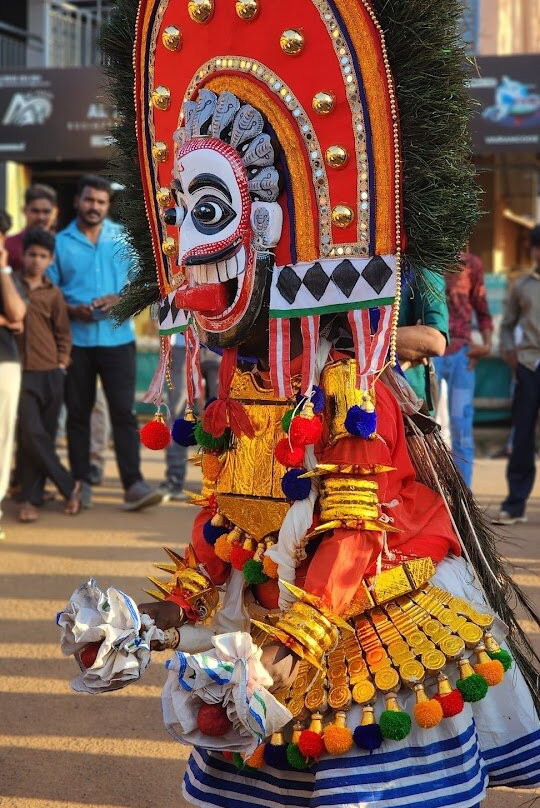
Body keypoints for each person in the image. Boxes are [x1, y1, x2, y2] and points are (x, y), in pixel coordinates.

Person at [76, 2, 539, 806]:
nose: (187, 251)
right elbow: (226, 519)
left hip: (362, 625)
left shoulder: (347, 383)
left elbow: (354, 539)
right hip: (273, 626)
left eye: (207, 215)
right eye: (179, 215)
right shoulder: (238, 379)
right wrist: (157, 615)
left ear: (267, 226)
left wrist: (283, 653)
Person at [48, 174, 162, 511]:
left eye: (100, 201)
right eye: (88, 200)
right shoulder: (60, 243)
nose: (94, 206)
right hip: (77, 342)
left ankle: (133, 485)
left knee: (124, 413)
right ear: (77, 202)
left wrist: (118, 300)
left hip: (118, 340)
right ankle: (80, 484)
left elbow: (141, 285)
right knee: (78, 415)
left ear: (107, 205)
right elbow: (50, 292)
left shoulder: (121, 239)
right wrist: (72, 309)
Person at [14, 229, 81, 522]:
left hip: (51, 372)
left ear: (50, 260)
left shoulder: (53, 294)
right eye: (32, 254)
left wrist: (62, 363)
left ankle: (33, 498)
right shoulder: (10, 286)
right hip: (19, 372)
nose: (36, 260)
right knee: (31, 434)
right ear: (22, 255)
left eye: (42, 256)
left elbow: (63, 332)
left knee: (45, 437)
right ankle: (68, 486)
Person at [433, 253, 493, 488]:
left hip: (461, 354)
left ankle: (464, 496)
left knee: (462, 429)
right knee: (425, 425)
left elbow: (481, 306)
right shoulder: (429, 258)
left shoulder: (472, 265)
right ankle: (429, 494)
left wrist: (486, 345)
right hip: (432, 350)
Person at [494, 225, 540, 525]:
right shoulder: (522, 286)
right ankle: (515, 504)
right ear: (533, 251)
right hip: (529, 365)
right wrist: (511, 355)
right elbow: (508, 325)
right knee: (522, 434)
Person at [0, 210, 26, 540]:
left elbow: (18, 314)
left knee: (3, 438)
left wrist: (3, 269)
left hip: (4, 362)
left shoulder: (8, 273)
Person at [397, 268, 448, 412]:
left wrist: (360, 343)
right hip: (357, 394)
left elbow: (434, 341)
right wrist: (409, 340)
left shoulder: (422, 267)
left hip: (411, 401)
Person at [5, 184, 58, 273]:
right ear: (24, 210)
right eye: (35, 211)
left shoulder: (64, 246)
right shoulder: (8, 245)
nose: (41, 217)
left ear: (55, 212)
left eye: (46, 212)